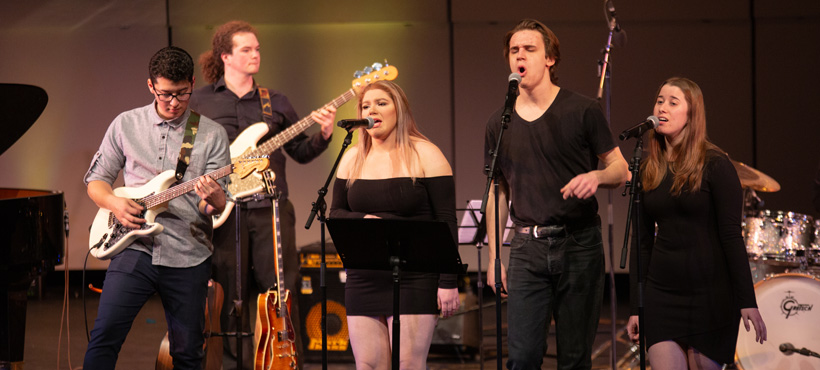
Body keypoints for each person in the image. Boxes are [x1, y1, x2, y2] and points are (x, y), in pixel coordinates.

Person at [189, 20, 336, 368]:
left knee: (280, 292)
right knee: (227, 292)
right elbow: (187, 154)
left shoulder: (276, 101)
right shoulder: (200, 102)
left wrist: (325, 133)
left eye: (257, 49)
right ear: (225, 55)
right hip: (225, 210)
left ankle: (283, 361)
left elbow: (300, 152)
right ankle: (230, 363)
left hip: (271, 209)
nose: (256, 54)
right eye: (246, 49)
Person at [484, 19, 629, 369]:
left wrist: (596, 176)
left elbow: (620, 169)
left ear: (550, 58)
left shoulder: (582, 110)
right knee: (521, 358)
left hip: (578, 244)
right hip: (525, 248)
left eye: (529, 49)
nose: (520, 55)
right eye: (514, 50)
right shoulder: (499, 122)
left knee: (574, 357)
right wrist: (493, 258)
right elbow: (497, 192)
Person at [83, 46, 230, 369]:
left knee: (188, 351)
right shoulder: (125, 124)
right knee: (105, 337)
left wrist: (216, 200)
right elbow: (96, 181)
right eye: (165, 94)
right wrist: (116, 205)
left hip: (189, 252)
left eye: (182, 93)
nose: (174, 102)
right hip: (135, 246)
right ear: (151, 86)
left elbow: (215, 207)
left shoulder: (213, 135)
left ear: (192, 83)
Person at [626, 77, 767, 369]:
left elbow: (731, 236)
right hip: (662, 296)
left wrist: (747, 299)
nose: (662, 108)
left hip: (710, 297)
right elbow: (641, 242)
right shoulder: (648, 169)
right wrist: (636, 306)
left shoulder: (716, 165)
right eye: (660, 101)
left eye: (673, 102)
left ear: (692, 114)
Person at [329, 80, 461, 369]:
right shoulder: (352, 157)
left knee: (409, 364)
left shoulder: (426, 153)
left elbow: (446, 220)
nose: (372, 110)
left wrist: (448, 281)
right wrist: (364, 220)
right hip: (365, 276)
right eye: (366, 105)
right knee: (369, 366)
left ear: (398, 109)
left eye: (381, 103)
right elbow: (335, 212)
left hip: (415, 275)